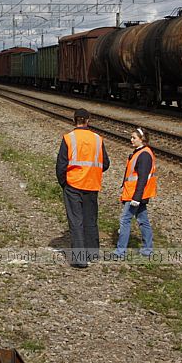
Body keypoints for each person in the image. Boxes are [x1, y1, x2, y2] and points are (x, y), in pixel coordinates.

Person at [55, 108, 109, 268]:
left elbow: (61, 166)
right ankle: (93, 253)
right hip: (92, 184)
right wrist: (91, 172)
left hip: (73, 185)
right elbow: (105, 163)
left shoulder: (68, 138)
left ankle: (79, 259)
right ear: (88, 120)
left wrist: (64, 183)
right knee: (90, 219)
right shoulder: (98, 139)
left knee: (76, 221)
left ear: (74, 121)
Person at [113, 127, 157, 259]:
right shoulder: (141, 152)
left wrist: (136, 197)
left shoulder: (144, 155)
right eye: (131, 137)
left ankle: (120, 252)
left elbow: (142, 178)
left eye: (134, 138)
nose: (131, 140)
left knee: (125, 220)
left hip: (135, 195)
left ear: (142, 139)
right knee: (143, 220)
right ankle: (147, 249)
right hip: (135, 194)